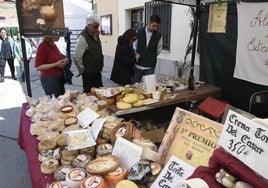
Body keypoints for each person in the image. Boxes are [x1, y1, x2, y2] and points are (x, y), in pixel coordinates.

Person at [73, 13, 104, 93]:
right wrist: (82, 69)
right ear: (88, 26)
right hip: (89, 72)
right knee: (88, 93)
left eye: (98, 26)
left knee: (100, 91)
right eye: (95, 27)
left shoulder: (95, 35)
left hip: (97, 71)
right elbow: (76, 56)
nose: (98, 28)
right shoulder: (83, 37)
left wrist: (97, 38)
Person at [132, 14, 163, 84]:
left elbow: (159, 49)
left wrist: (151, 56)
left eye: (157, 26)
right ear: (149, 23)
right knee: (134, 86)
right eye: (154, 26)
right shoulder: (139, 31)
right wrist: (135, 54)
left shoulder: (159, 35)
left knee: (149, 88)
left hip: (150, 67)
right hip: (138, 66)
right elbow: (134, 45)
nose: (155, 28)